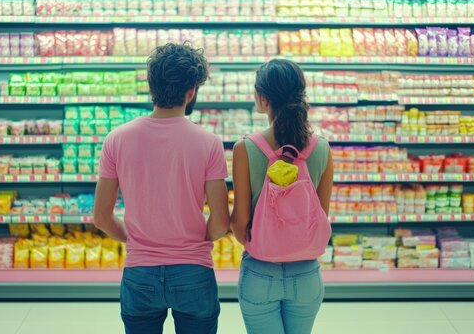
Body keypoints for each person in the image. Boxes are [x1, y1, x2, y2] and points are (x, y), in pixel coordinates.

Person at [93, 43, 230, 334]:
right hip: (194, 272)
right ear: (191, 90)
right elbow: (220, 223)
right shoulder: (209, 143)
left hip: (139, 271)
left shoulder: (116, 139)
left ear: (150, 85)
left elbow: (102, 218)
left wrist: (136, 239)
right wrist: (197, 239)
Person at [231, 59, 334, 334]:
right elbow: (320, 216)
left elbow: (240, 223)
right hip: (307, 276)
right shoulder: (321, 148)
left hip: (260, 273)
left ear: (262, 98)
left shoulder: (245, 148)